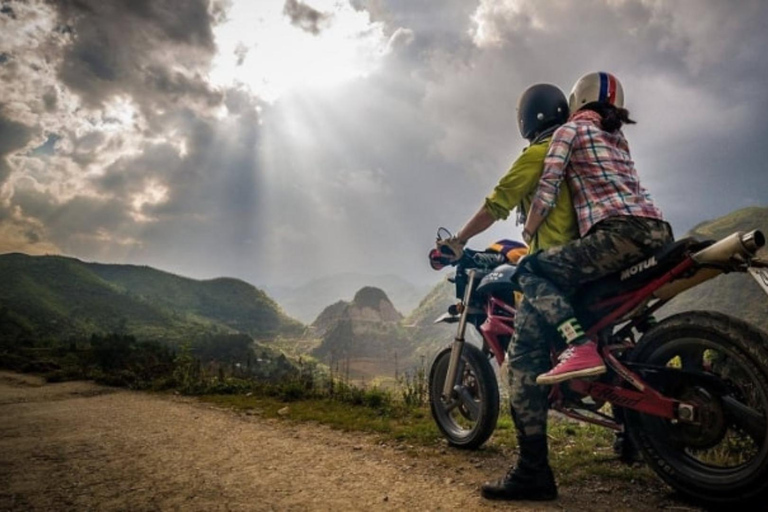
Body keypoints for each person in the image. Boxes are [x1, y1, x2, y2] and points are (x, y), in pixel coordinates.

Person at [481, 72, 673, 501]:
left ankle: (534, 470)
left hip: (612, 236)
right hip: (659, 232)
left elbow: (546, 189)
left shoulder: (565, 134)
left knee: (526, 312)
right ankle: (634, 434)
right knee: (618, 331)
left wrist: (528, 233)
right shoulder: (617, 137)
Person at [436, 83, 579, 502]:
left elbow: (496, 204)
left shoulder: (540, 155)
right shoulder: (580, 151)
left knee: (520, 367)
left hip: (556, 265)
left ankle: (534, 471)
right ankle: (632, 438)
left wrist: (458, 240)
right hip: (596, 261)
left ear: (527, 119)